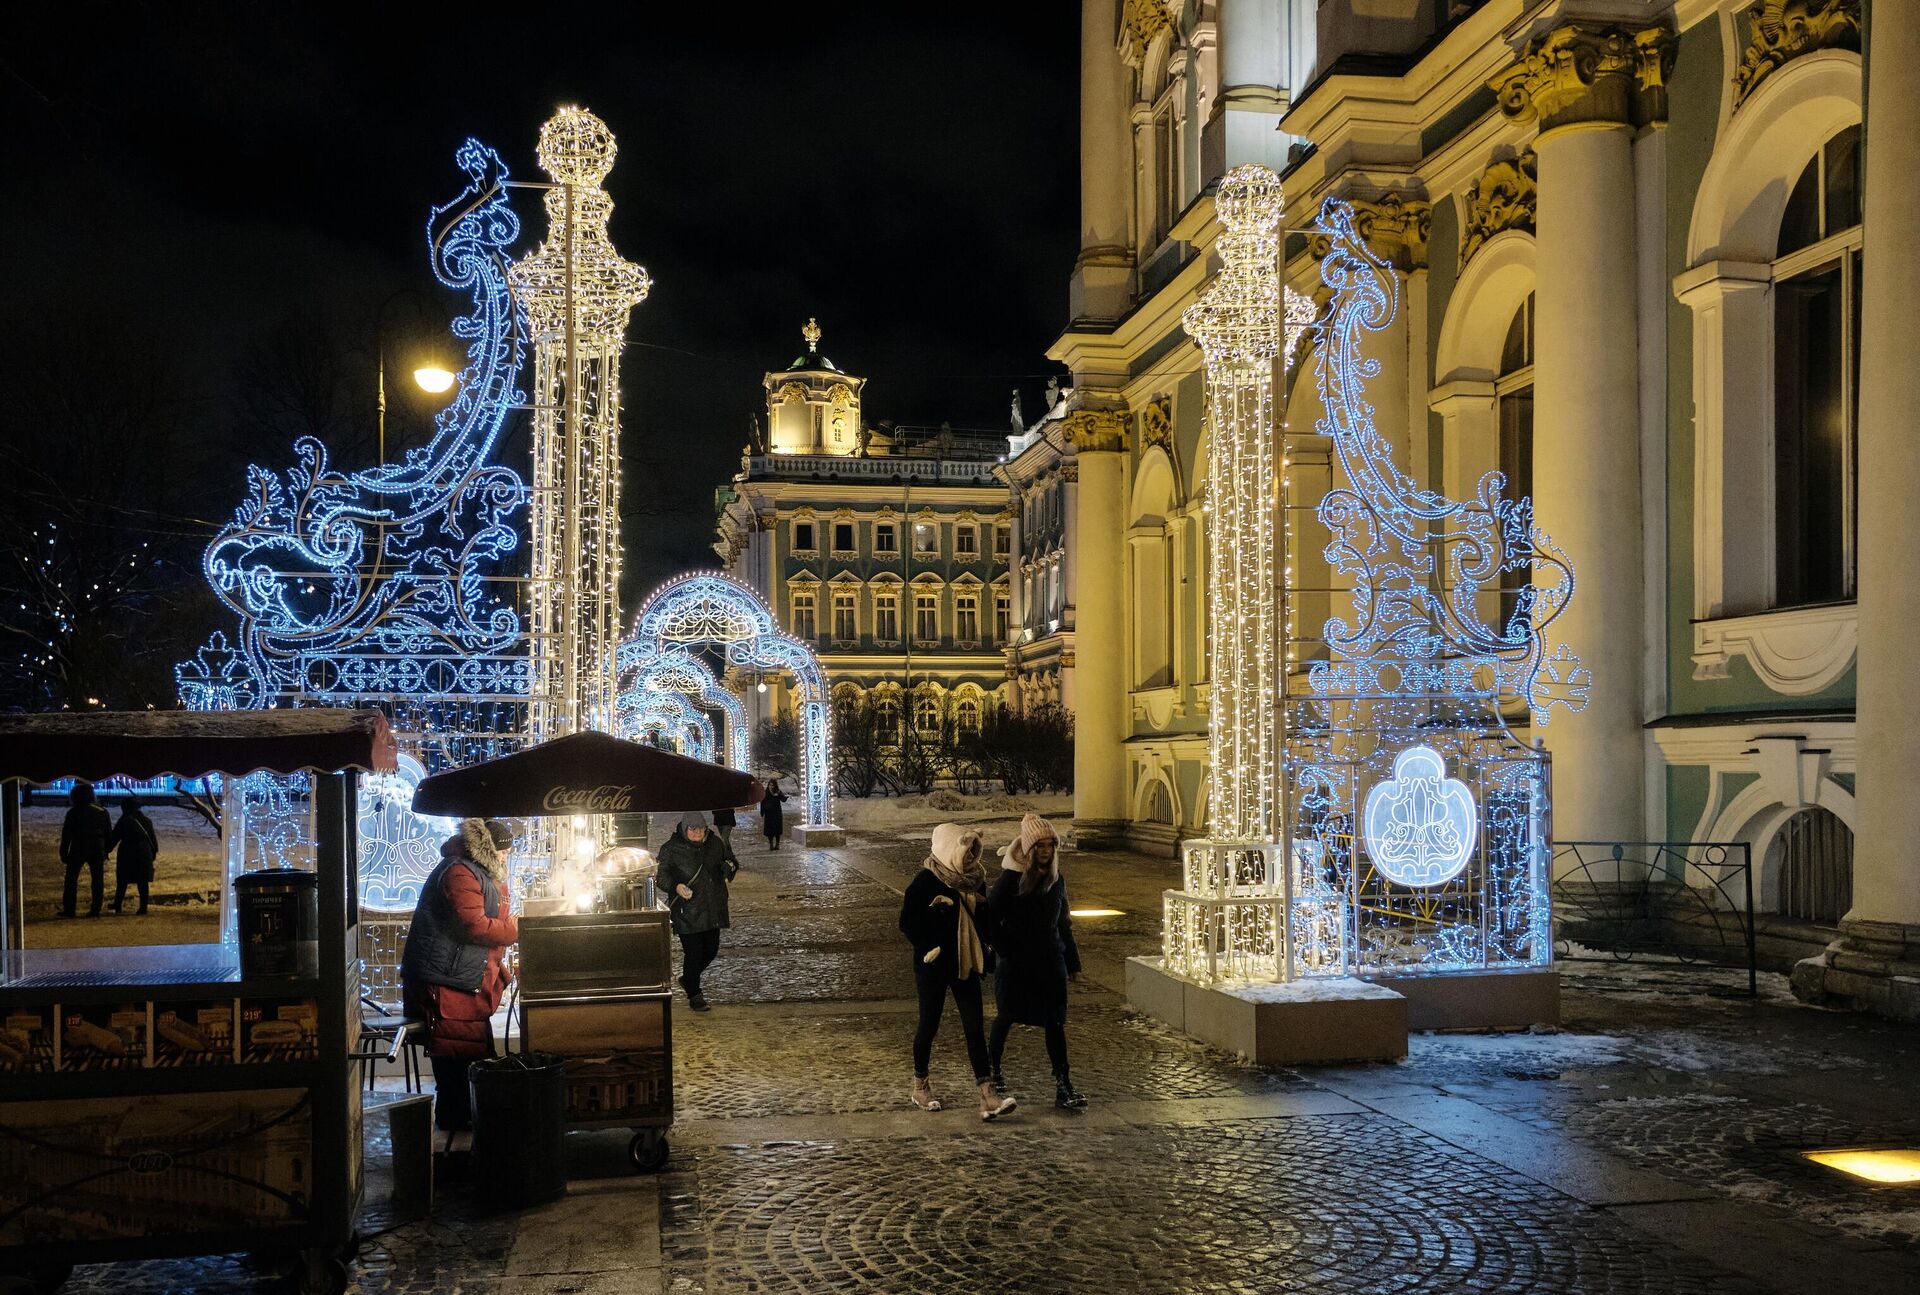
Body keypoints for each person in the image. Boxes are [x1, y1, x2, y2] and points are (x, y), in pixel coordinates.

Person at [400, 819, 519, 1133]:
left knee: (468, 1052)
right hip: (446, 981)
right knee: (454, 1052)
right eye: (503, 850)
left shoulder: (480, 872)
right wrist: (517, 931)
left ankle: (465, 1117)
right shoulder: (459, 871)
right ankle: (455, 1121)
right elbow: (474, 924)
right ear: (488, 850)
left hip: (463, 978)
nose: (507, 855)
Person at [900, 822, 1017, 1121]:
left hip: (965, 963)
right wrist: (930, 945)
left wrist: (996, 949)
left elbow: (985, 922)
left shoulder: (975, 881)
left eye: (974, 853)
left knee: (974, 1027)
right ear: (949, 850)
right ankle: (920, 1084)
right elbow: (907, 922)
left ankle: (987, 1095)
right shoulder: (925, 881)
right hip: (933, 964)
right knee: (929, 1024)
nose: (970, 859)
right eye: (966, 852)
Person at [987, 814, 1086, 1109]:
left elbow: (1063, 923)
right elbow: (990, 919)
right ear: (1028, 849)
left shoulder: (1056, 879)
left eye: (1050, 845)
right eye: (1040, 846)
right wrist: (1006, 949)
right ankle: (994, 1073)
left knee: (1055, 1022)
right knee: (1006, 1016)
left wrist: (1072, 962)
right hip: (1017, 963)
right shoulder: (1011, 879)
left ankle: (1063, 1085)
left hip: (1049, 962)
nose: (1046, 851)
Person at [658, 811, 738, 1012]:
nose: (698, 833)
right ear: (685, 829)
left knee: (711, 950)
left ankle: (688, 979)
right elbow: (661, 877)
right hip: (687, 910)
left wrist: (728, 868)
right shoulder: (671, 849)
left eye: (701, 829)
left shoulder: (715, 843)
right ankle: (695, 994)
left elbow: (731, 860)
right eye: (693, 829)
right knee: (693, 953)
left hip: (713, 907)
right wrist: (676, 886)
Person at [59, 782, 113, 919]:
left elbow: (67, 835)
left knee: (71, 879)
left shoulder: (73, 812)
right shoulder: (102, 812)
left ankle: (69, 908)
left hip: (79, 847)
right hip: (97, 847)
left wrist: (64, 852)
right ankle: (96, 908)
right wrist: (106, 849)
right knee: (97, 879)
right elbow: (108, 833)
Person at [108, 795, 159, 915]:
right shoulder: (147, 820)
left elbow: (115, 837)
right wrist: (152, 854)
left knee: (122, 880)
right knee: (143, 881)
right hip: (144, 852)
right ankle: (143, 907)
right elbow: (153, 839)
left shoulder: (125, 820)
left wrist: (106, 850)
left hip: (128, 852)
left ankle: (117, 904)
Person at [760, 780, 788, 851]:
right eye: (770, 785)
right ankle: (771, 844)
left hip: (776, 813)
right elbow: (762, 803)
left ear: (775, 785)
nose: (771, 786)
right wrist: (762, 812)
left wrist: (784, 797)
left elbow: (783, 799)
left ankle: (777, 844)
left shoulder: (778, 792)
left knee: (777, 830)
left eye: (772, 785)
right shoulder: (766, 793)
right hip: (769, 814)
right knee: (770, 830)